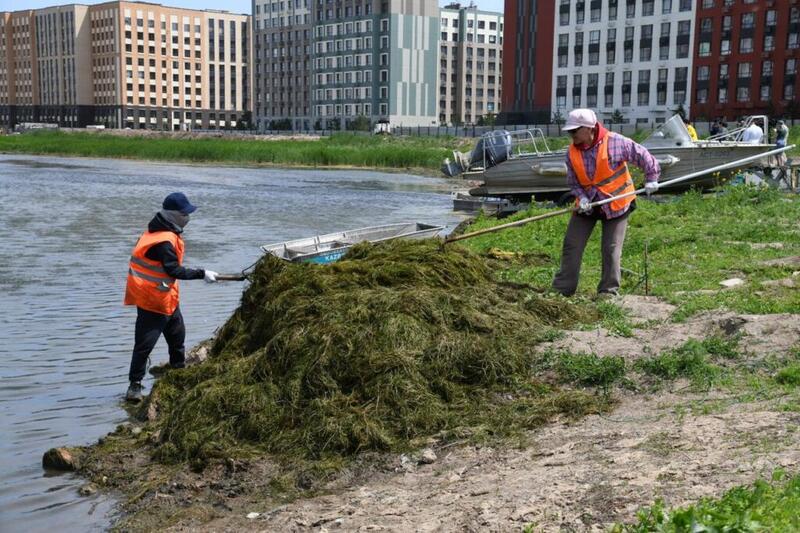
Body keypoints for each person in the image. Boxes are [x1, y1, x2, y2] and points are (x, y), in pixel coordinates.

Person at [552, 109, 661, 297]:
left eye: (574, 131)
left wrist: (651, 178)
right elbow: (573, 182)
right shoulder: (571, 152)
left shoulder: (616, 142)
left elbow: (642, 155)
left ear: (589, 129)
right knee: (572, 244)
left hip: (616, 203)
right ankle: (563, 289)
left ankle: (608, 292)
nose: (571, 136)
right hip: (588, 204)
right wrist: (583, 197)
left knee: (610, 248)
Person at [123, 192, 219, 402]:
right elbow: (173, 270)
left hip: (167, 299)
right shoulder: (163, 240)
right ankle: (134, 387)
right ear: (174, 215)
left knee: (177, 339)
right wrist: (202, 273)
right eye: (185, 213)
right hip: (152, 302)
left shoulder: (164, 232)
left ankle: (179, 376)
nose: (188, 217)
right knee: (144, 346)